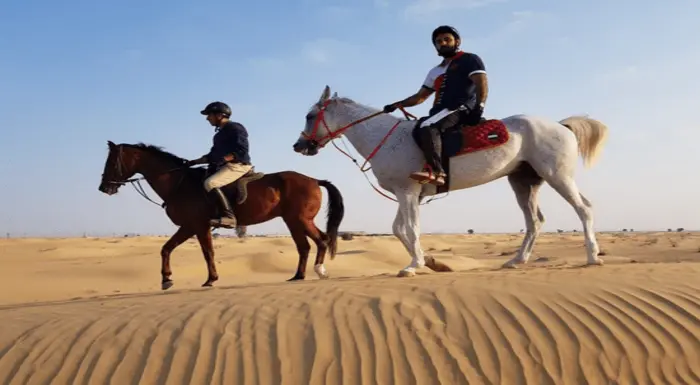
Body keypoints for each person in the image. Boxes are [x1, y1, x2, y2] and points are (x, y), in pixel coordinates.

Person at [383, 25, 489, 186]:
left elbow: (482, 84)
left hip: (459, 108)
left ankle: (437, 172)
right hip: (440, 112)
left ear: (457, 41)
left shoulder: (469, 59)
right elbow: (420, 97)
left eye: (447, 39)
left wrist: (479, 107)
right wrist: (396, 104)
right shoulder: (435, 71)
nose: (443, 43)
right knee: (419, 127)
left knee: (428, 126)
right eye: (438, 41)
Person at [185, 101, 253, 228]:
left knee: (210, 183)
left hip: (238, 165)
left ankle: (229, 217)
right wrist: (192, 162)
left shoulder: (235, 128)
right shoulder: (218, 135)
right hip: (224, 166)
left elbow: (241, 150)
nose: (207, 118)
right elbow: (212, 156)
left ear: (220, 115)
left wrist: (225, 159)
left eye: (209, 115)